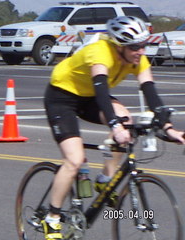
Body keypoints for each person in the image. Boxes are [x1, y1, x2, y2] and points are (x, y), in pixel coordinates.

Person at [42, 16, 185, 240]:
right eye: (135, 46)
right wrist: (114, 126)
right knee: (75, 160)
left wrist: (168, 128)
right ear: (119, 47)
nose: (141, 51)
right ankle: (52, 217)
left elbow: (150, 93)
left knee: (126, 120)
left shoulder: (138, 59)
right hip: (62, 97)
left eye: (144, 44)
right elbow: (101, 90)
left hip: (89, 98)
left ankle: (104, 180)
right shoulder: (100, 53)